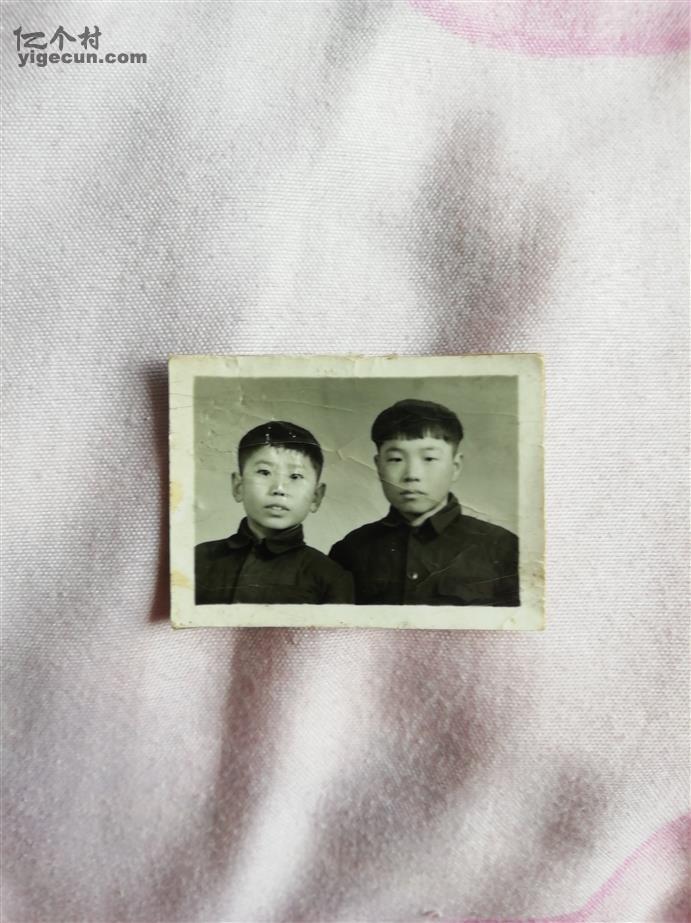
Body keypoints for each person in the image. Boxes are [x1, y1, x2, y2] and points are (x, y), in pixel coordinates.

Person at [329, 399, 519, 606]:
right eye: (396, 459)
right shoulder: (350, 550)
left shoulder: (503, 548)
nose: (412, 475)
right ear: (378, 466)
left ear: (455, 467)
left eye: (429, 458)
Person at [195, 421, 353, 605]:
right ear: (238, 486)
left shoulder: (330, 577)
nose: (278, 489)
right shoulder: (198, 559)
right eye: (264, 472)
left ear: (316, 497)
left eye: (295, 476)